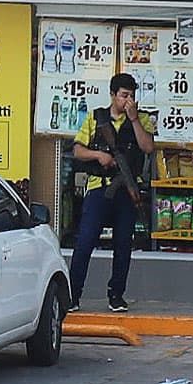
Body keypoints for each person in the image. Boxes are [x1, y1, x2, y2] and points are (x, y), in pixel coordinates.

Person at [69, 71, 155, 313]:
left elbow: (147, 147)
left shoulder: (142, 119)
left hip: (127, 190)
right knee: (85, 242)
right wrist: (99, 155)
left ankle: (116, 294)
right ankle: (73, 294)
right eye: (124, 95)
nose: (128, 100)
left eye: (132, 96)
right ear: (113, 95)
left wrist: (135, 119)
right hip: (99, 188)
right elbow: (77, 150)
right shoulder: (96, 118)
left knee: (122, 245)